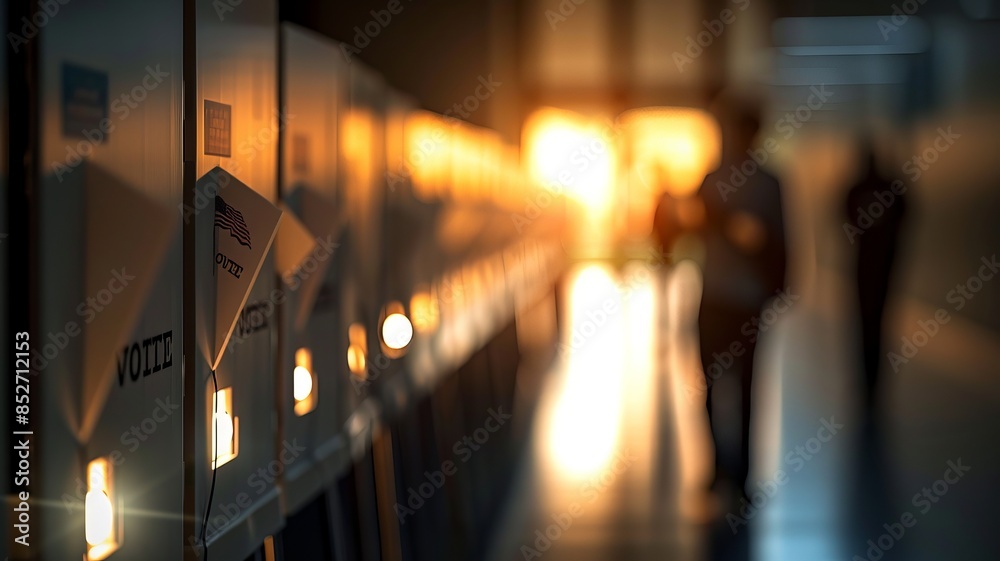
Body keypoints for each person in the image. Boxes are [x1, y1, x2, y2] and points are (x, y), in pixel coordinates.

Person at [695, 99, 788, 500]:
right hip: (733, 296)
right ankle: (733, 469)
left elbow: (778, 239)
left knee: (726, 384)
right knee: (735, 385)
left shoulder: (716, 182)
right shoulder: (763, 182)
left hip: (726, 297)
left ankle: (729, 468)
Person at [844, 143, 907, 421]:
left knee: (872, 321)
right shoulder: (879, 187)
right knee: (869, 321)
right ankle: (870, 378)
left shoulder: (865, 188)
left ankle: (871, 379)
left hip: (875, 264)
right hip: (873, 264)